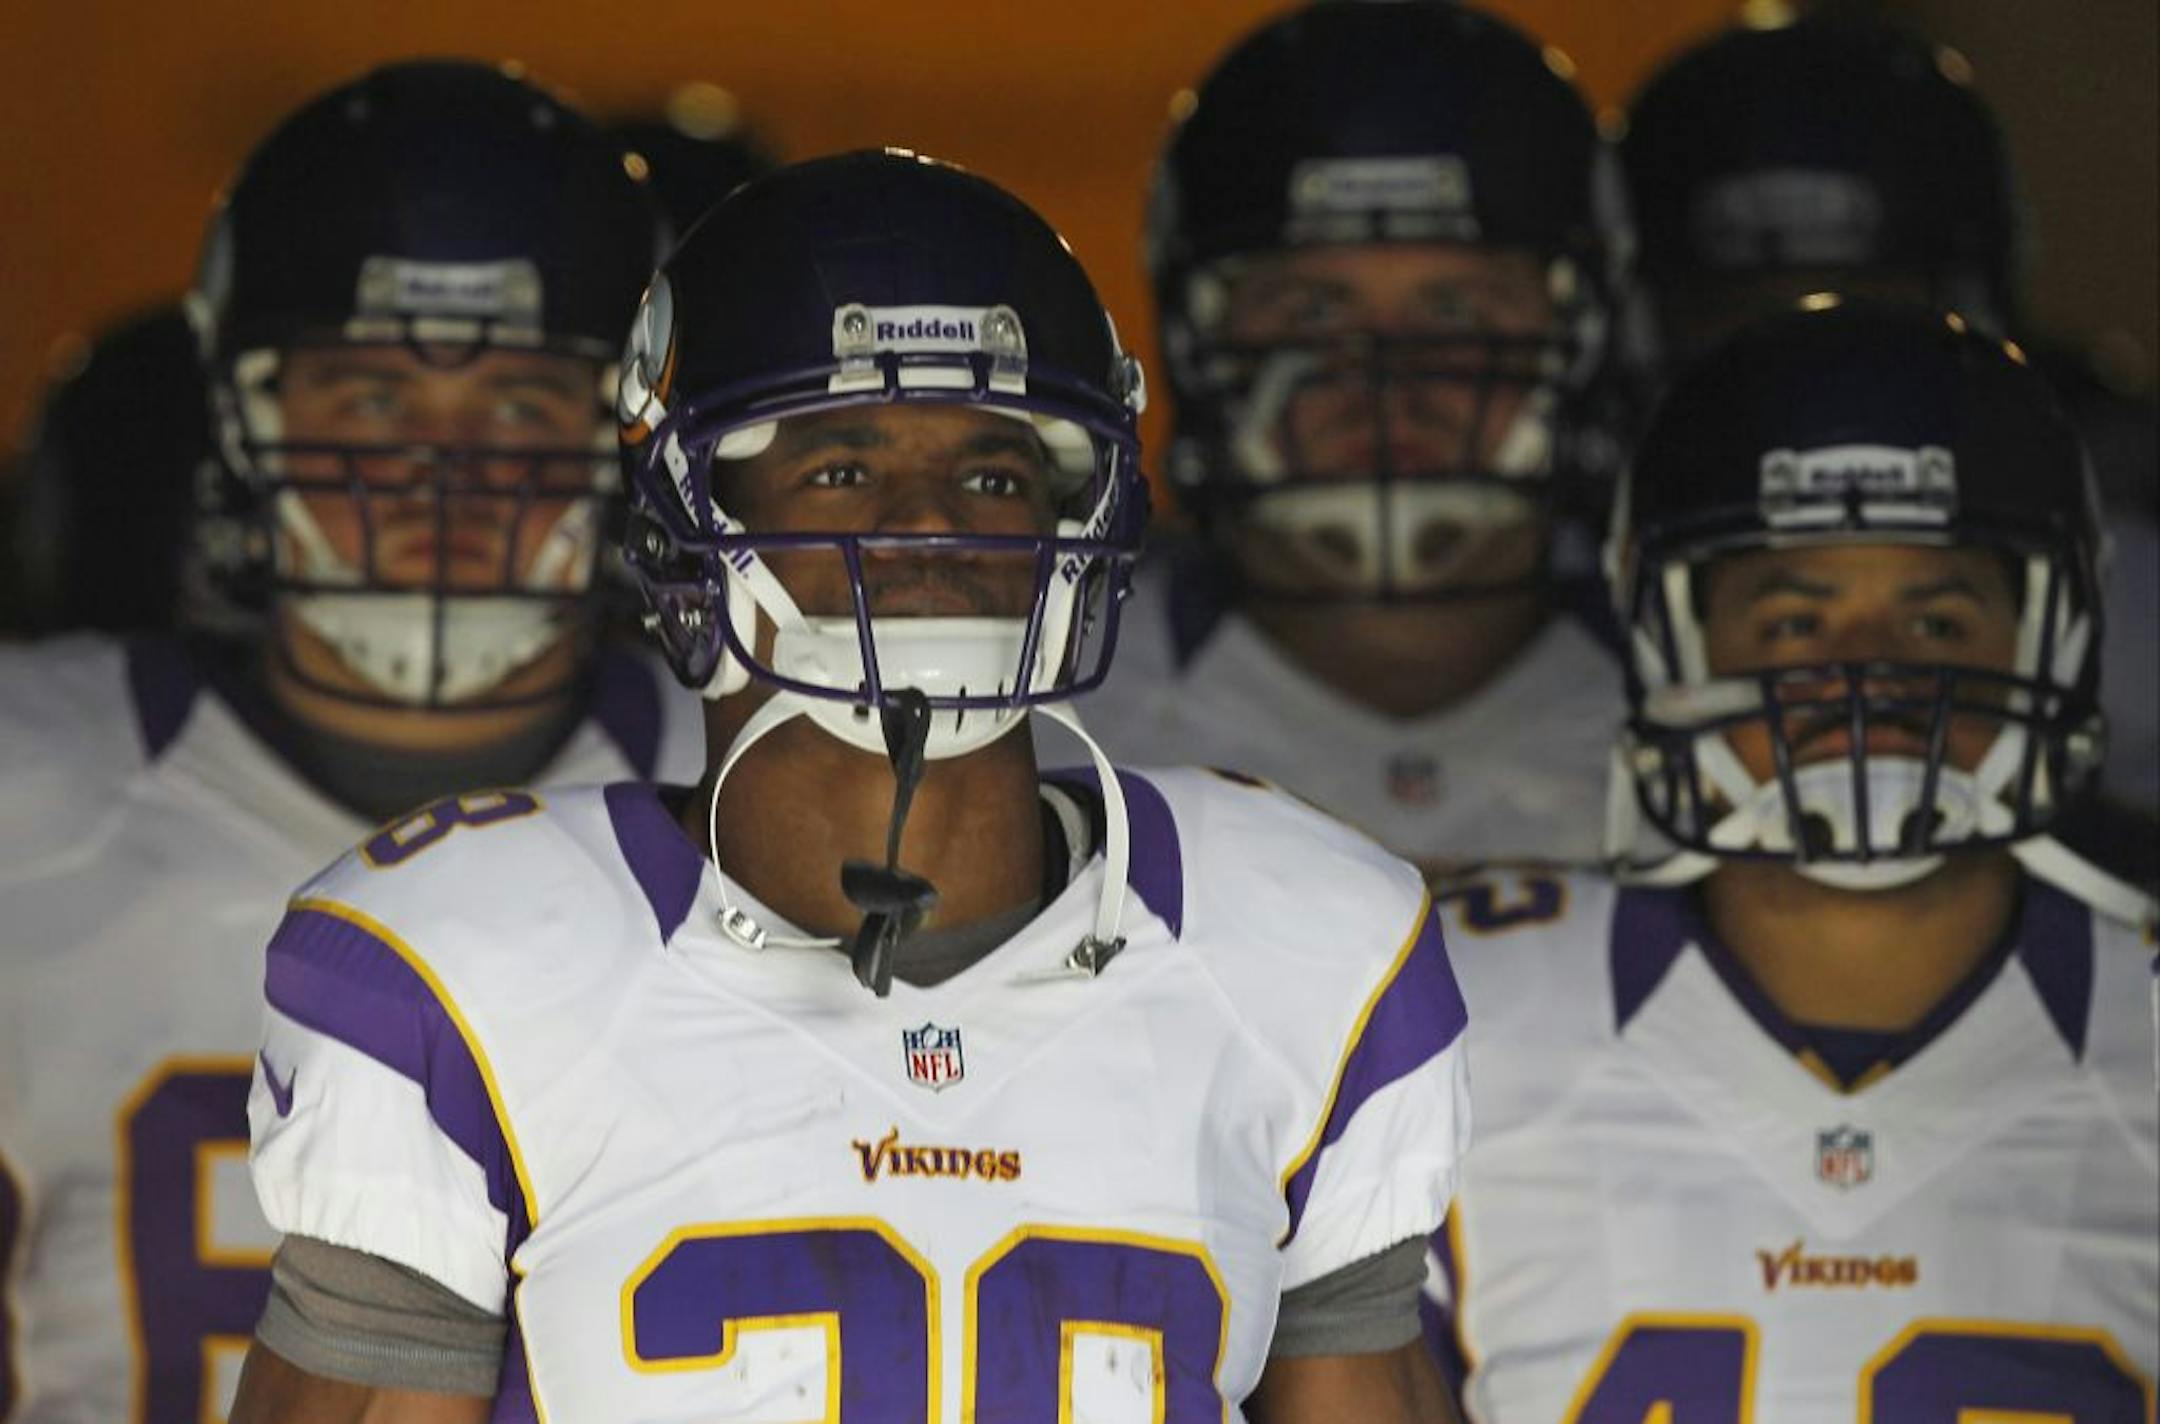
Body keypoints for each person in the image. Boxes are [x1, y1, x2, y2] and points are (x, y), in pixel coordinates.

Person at [227, 149, 1474, 1422]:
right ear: (686, 520)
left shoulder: (1297, 946)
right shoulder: (466, 968)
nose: (928, 525)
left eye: (993, 476)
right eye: (840, 470)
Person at [0, 60, 702, 1421]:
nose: (441, 474)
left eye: (518, 405)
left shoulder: (754, 782)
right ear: (240, 415)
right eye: (371, 401)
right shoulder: (31, 787)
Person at [1426, 299, 2157, 1418]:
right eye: (1795, 623)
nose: (1868, 677)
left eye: (1938, 622)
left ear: (2049, 637)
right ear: (1673, 642)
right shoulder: (1456, 1015)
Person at [1080, 0, 1631, 873]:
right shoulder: (1057, 696)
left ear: (1579, 329)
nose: (1385, 378)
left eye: (1456, 310)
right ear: (1200, 337)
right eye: (1313, 311)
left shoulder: (1702, 676)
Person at [1619, 10, 2159, 861]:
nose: (1822, 375)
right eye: (1742, 315)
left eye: (1863, 304)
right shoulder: (1586, 579)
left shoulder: (2114, 559)